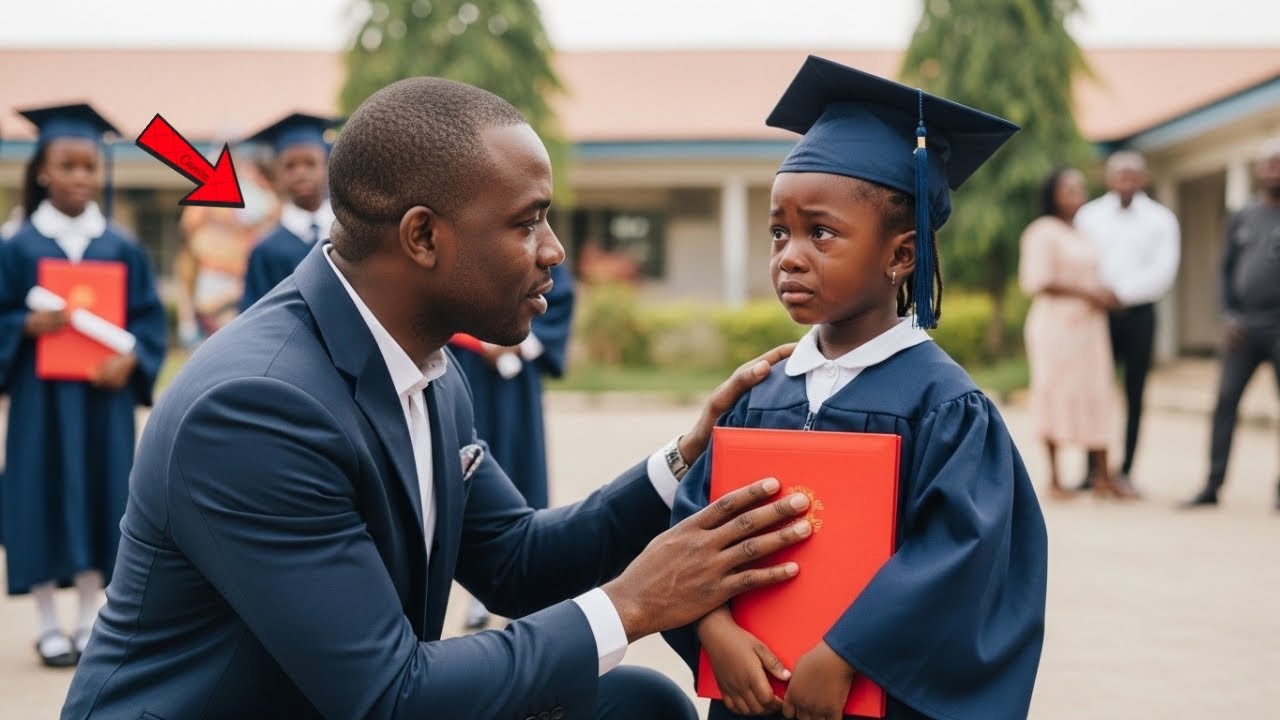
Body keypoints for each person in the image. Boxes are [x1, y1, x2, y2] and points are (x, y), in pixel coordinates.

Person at [62, 77, 813, 720]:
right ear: (422, 237)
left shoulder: (424, 365)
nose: (553, 250)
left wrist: (686, 459)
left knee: (635, 705)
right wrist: (633, 604)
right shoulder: (257, 408)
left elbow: (517, 563)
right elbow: (389, 696)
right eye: (528, 221)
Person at [667, 57, 1048, 720]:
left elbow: (961, 563)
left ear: (901, 256)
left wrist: (847, 655)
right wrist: (713, 631)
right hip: (754, 695)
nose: (789, 255)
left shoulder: (945, 406)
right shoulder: (764, 394)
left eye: (821, 233)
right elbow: (693, 530)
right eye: (779, 232)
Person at [0, 103, 167, 668]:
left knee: (105, 495)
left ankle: (92, 616)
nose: (80, 177)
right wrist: (23, 324)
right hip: (40, 402)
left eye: (88, 166)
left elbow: (148, 321)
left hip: (103, 398)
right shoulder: (17, 246)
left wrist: (135, 359)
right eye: (67, 166)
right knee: (37, 495)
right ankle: (47, 621)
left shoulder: (120, 245)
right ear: (42, 170)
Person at [451, 259, 576, 630]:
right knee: (466, 470)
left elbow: (560, 296)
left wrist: (521, 346)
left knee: (520, 470)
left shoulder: (534, 244)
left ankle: (531, 584)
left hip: (514, 381)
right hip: (464, 369)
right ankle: (477, 594)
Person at [1074, 151, 1181, 494]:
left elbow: (1164, 271)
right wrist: (1098, 295)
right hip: (1095, 315)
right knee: (1093, 390)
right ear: (1109, 178)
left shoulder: (1161, 219)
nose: (1126, 181)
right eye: (1120, 175)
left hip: (1139, 315)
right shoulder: (1089, 216)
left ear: (1143, 179)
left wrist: (1119, 293)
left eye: (1133, 175)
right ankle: (1092, 471)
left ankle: (1126, 471)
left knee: (1135, 393)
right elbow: (1079, 261)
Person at [1019, 168, 1128, 500]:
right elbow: (1038, 280)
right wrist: (1088, 294)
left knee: (1097, 391)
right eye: (1069, 189)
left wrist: (1103, 294)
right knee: (1055, 390)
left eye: (1080, 187)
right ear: (1053, 194)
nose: (1077, 193)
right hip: (1057, 326)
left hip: (1091, 328)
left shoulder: (1083, 232)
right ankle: (1055, 479)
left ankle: (1102, 476)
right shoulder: (1041, 232)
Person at [1184, 138, 1280, 510]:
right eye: (1269, 163)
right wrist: (1228, 315)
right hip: (1243, 328)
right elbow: (1223, 271)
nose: (1274, 169)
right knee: (1225, 402)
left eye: (1279, 163)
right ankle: (1213, 483)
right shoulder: (1241, 216)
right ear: (1258, 170)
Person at [173, 150, 279, 348]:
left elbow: (262, 216)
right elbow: (188, 231)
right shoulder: (201, 214)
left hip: (238, 287)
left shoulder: (261, 202)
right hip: (208, 287)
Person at [238, 112, 341, 312]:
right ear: (277, 174)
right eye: (290, 166)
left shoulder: (350, 236)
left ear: (327, 166)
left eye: (310, 163)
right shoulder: (265, 251)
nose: (301, 173)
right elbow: (253, 320)